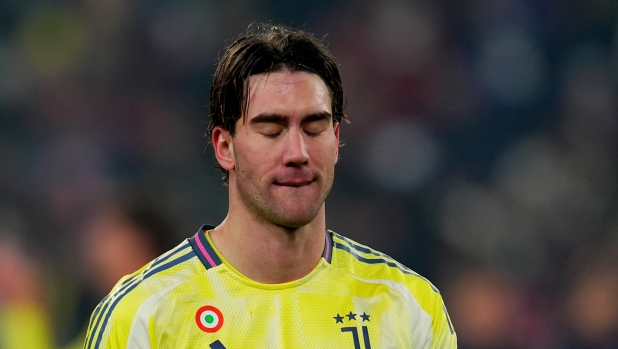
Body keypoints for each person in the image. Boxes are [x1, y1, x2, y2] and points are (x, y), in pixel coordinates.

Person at [84, 24, 457, 349]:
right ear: (225, 147)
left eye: (314, 128)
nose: (297, 152)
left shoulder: (409, 307)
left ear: (337, 139)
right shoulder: (141, 315)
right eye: (271, 130)